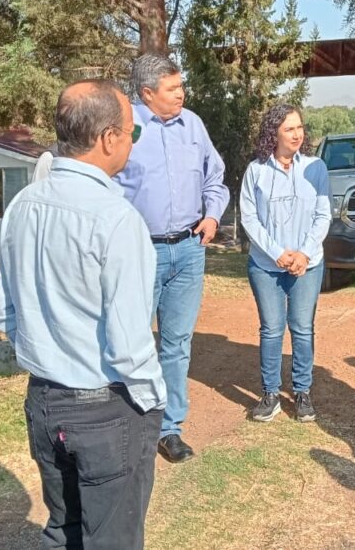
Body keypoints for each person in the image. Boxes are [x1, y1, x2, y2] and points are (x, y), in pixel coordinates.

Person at [0, 79, 165, 550]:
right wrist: (153, 401)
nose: (131, 142)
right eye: (133, 133)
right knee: (112, 539)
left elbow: (1, 312)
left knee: (63, 529)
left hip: (44, 402)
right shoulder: (117, 219)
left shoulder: (22, 205)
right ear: (109, 138)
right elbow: (129, 345)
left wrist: (46, 350)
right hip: (105, 408)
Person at [115, 54, 230, 463]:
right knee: (133, 341)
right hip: (140, 251)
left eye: (181, 86)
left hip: (188, 249)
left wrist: (213, 215)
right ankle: (132, 423)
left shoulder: (193, 125)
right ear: (147, 94)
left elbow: (215, 177)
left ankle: (169, 429)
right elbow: (106, 185)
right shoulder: (125, 129)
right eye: (172, 88)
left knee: (177, 344)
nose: (181, 93)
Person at [240, 103, 331, 423]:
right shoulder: (257, 170)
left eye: (300, 127)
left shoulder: (316, 167)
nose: (296, 134)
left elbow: (323, 214)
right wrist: (278, 252)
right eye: (289, 128)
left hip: (308, 264)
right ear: (273, 133)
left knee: (303, 329)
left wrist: (304, 253)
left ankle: (303, 392)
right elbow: (249, 218)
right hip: (266, 265)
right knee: (272, 329)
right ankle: (270, 394)